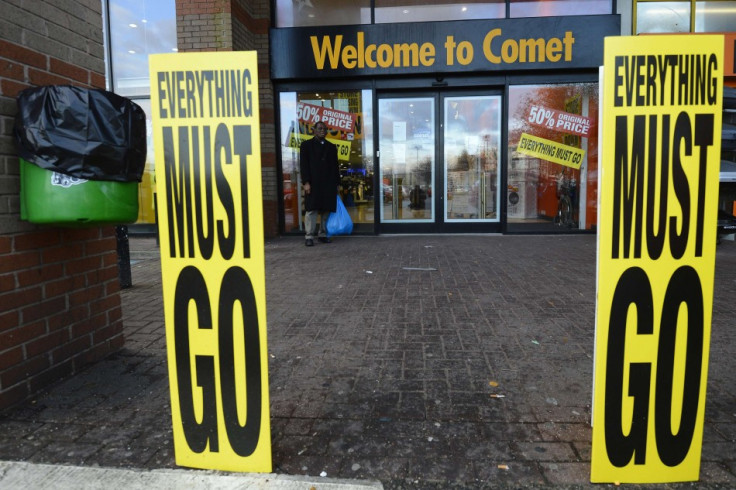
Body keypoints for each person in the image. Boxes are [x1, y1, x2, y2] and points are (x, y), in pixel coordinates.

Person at [300, 121, 340, 246]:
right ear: (314, 130)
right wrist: (306, 182)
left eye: (324, 129)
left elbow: (335, 167)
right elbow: (304, 165)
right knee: (311, 209)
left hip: (328, 183)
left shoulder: (332, 147)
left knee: (326, 210)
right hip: (313, 183)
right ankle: (309, 236)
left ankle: (322, 234)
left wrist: (337, 183)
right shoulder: (306, 146)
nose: (322, 130)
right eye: (320, 128)